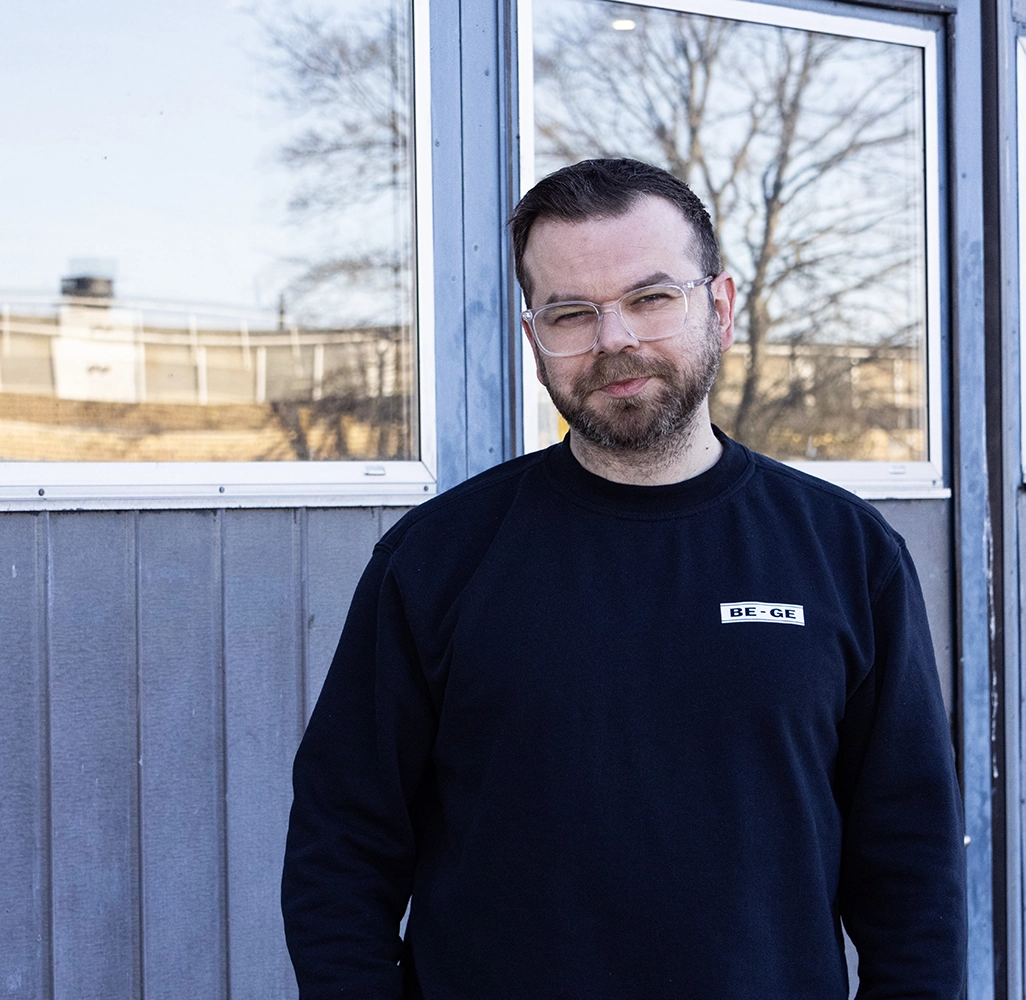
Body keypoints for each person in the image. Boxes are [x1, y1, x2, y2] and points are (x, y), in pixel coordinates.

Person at [282, 157, 965, 999]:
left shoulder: (846, 553)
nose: (614, 340)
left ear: (720, 307)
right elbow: (341, 845)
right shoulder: (436, 560)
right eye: (572, 313)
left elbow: (912, 870)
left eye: (651, 298)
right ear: (534, 340)